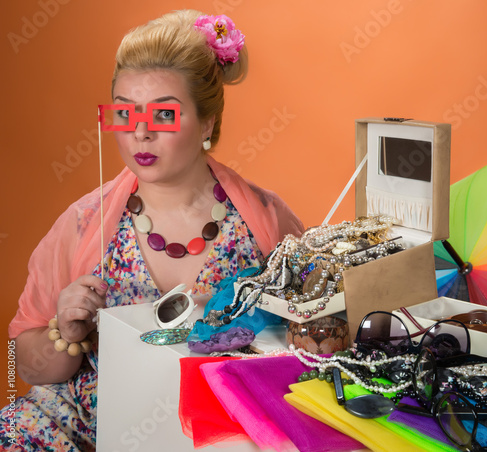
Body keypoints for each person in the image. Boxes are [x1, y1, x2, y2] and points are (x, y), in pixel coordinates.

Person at [0, 10, 303, 450]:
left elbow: (310, 344)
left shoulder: (267, 222)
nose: (140, 132)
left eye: (163, 114)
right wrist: (63, 335)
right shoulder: (84, 223)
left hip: (215, 433)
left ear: (206, 123)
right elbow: (16, 367)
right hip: (91, 426)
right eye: (125, 113)